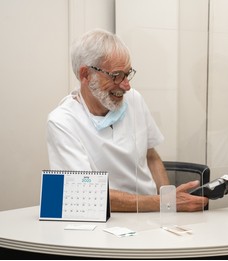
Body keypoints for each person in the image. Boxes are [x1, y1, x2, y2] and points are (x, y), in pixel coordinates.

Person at [46, 29, 208, 212]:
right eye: (116, 76)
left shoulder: (134, 100)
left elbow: (151, 157)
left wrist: (169, 203)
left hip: (153, 213)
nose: (126, 85)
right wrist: (163, 203)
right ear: (85, 75)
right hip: (107, 220)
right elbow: (86, 192)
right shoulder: (62, 122)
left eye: (127, 73)